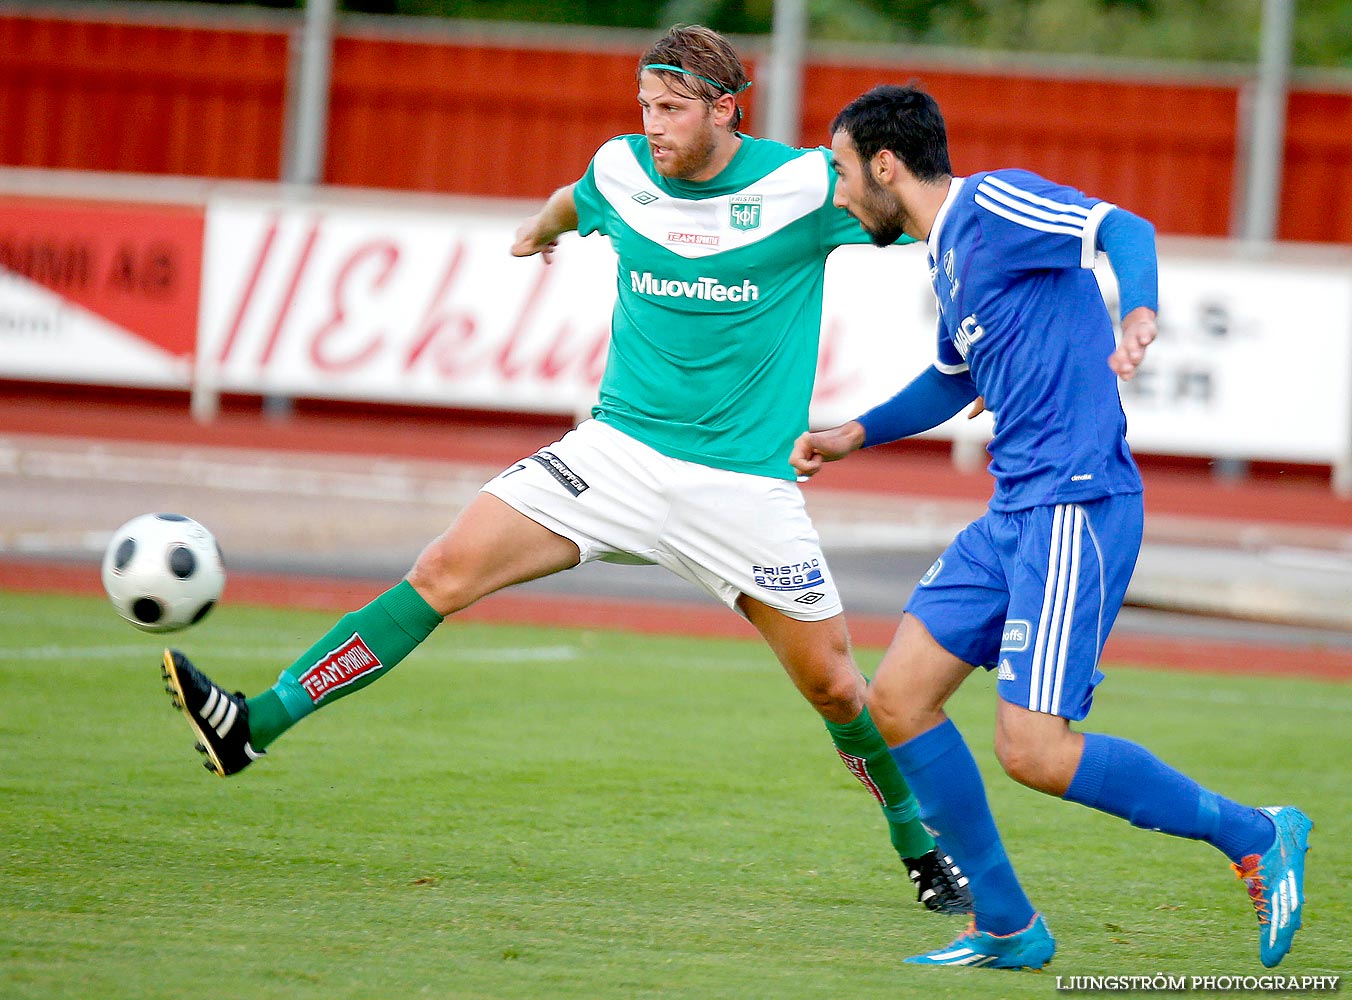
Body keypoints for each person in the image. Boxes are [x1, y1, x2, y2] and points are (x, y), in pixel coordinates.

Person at [160, 26, 971, 915]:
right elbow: (574, 200)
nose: (654, 126)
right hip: (611, 456)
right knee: (441, 571)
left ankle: (919, 844)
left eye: (672, 109)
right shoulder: (622, 170)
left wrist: (992, 337)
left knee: (836, 687)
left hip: (743, 488)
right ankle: (253, 725)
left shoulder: (803, 187)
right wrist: (538, 231)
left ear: (725, 108)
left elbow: (924, 215)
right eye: (646, 108)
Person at [791, 83, 1313, 970]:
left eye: (841, 171)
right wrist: (853, 433)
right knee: (898, 701)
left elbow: (1125, 230)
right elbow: (955, 375)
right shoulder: (945, 256)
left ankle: (1256, 833)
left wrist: (1139, 308)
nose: (839, 193)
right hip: (1012, 512)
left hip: (1075, 505)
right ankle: (1006, 925)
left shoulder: (991, 201)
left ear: (885, 165)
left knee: (1032, 749)